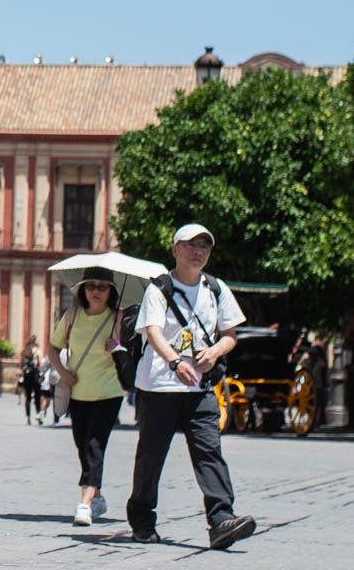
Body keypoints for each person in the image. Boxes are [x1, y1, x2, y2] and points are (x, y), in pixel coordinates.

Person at [127, 224, 257, 550]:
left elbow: (229, 335)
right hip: (159, 386)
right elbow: (153, 332)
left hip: (199, 389)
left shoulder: (216, 288)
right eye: (190, 245)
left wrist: (215, 351)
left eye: (204, 246)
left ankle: (221, 519)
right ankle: (142, 520)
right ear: (175, 249)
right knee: (151, 457)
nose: (197, 251)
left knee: (209, 451)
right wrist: (175, 362)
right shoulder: (159, 288)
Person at [48, 267, 126, 527]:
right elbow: (53, 347)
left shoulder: (118, 318)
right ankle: (98, 495)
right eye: (91, 286)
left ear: (111, 292)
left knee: (94, 445)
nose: (95, 291)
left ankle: (84, 503)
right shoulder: (71, 315)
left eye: (102, 287)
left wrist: (117, 346)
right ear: (82, 289)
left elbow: (134, 349)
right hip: (78, 391)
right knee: (83, 446)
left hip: (109, 391)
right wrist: (62, 371)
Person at [20, 334, 45, 426]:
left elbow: (21, 365)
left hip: (27, 376)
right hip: (35, 375)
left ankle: (28, 418)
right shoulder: (38, 351)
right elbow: (41, 364)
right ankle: (38, 414)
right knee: (37, 396)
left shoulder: (24, 351)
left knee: (28, 397)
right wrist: (42, 375)